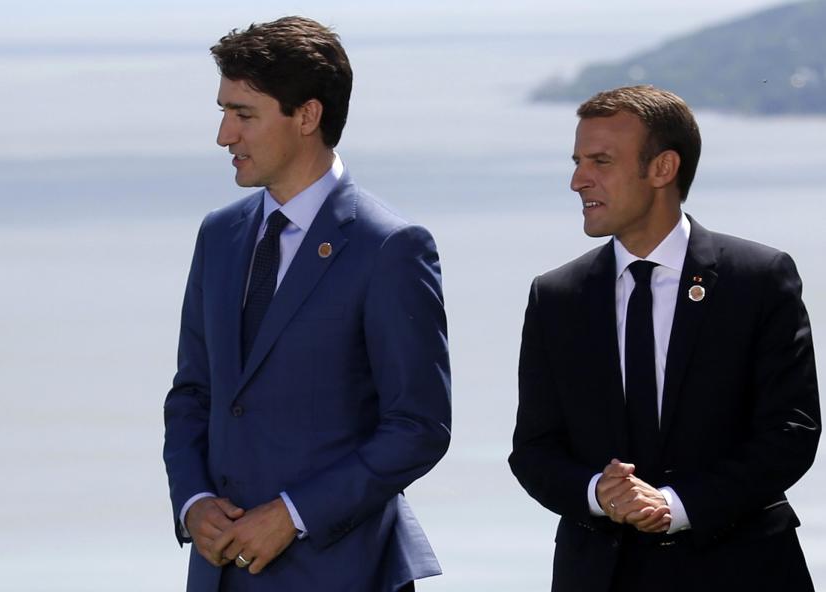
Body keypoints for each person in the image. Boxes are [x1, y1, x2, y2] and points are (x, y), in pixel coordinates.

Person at [162, 16, 451, 592]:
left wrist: (293, 515)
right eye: (223, 112)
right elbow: (193, 394)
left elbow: (418, 426)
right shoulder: (218, 236)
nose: (225, 135)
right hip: (220, 574)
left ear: (307, 116)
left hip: (345, 572)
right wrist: (193, 503)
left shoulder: (390, 247)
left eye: (243, 114)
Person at [509, 85, 820, 591]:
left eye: (600, 161)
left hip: (742, 571)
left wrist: (677, 506)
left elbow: (791, 431)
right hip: (600, 575)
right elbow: (534, 449)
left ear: (662, 168)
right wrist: (598, 494)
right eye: (577, 161)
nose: (577, 180)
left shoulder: (758, 278)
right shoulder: (556, 296)